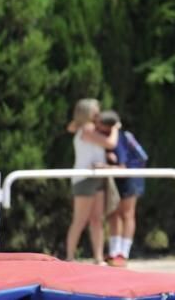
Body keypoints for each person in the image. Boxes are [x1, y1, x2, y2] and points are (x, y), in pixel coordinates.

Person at [65, 98, 119, 264]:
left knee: (97, 219)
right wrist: (116, 128)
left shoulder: (89, 129)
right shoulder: (87, 129)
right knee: (80, 220)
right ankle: (70, 257)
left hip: (97, 176)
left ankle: (98, 257)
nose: (98, 113)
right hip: (85, 178)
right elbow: (111, 143)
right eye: (95, 110)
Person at [97, 110, 148, 268]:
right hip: (118, 178)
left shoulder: (120, 137)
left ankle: (123, 253)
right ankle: (114, 251)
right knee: (114, 213)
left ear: (107, 126)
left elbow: (122, 165)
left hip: (131, 176)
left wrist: (104, 166)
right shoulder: (106, 137)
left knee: (127, 213)